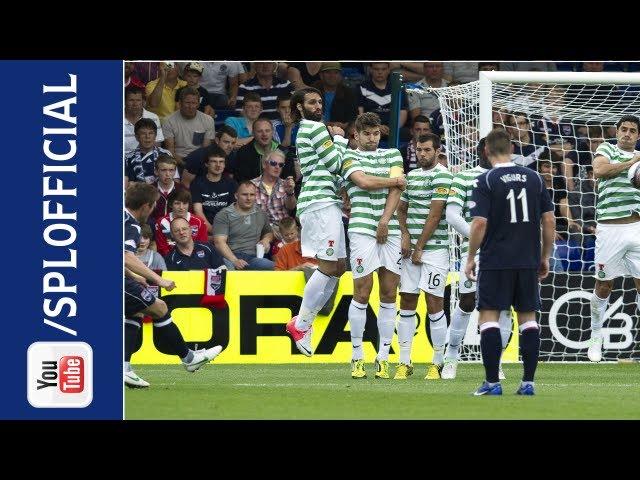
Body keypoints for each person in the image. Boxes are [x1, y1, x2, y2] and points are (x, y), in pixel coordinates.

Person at [465, 129, 555, 396]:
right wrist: (545, 256)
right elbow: (549, 220)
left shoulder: (487, 180)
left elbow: (480, 223)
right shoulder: (535, 178)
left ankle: (492, 383)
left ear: (486, 151)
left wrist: (470, 257)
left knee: (489, 317)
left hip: (495, 260)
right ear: (512, 148)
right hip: (527, 259)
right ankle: (528, 383)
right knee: (528, 319)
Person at [123, 183, 222, 388]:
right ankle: (189, 358)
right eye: (152, 207)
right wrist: (159, 280)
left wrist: (132, 275)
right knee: (159, 307)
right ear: (144, 206)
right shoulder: (131, 224)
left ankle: (123, 368)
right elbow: (125, 256)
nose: (152, 211)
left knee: (138, 311)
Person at [283, 87, 351, 356]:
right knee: (327, 265)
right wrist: (341, 139)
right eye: (311, 102)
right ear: (299, 107)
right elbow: (336, 164)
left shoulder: (310, 130)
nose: (318, 105)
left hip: (327, 201)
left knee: (339, 267)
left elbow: (332, 173)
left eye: (320, 101)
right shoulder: (314, 128)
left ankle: (301, 323)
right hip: (319, 203)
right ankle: (302, 324)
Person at [341, 112, 407, 379]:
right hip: (360, 229)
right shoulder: (349, 157)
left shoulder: (393, 155)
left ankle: (382, 357)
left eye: (376, 133)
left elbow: (397, 191)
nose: (372, 138)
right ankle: (357, 356)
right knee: (362, 291)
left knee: (390, 293)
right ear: (356, 135)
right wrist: (394, 180)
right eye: (366, 134)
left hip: (387, 228)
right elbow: (364, 182)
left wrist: (384, 221)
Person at [443, 138, 512, 380]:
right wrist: (479, 238)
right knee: (467, 301)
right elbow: (451, 214)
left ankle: (497, 362)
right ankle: (451, 357)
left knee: (502, 306)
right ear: (480, 150)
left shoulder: (510, 179)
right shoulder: (463, 177)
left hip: (505, 250)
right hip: (475, 250)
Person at [395, 133, 452, 380]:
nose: (422, 154)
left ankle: (437, 362)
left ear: (437, 151)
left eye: (427, 150)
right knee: (407, 301)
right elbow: (402, 208)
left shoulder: (443, 175)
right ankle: (404, 362)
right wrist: (405, 235)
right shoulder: (412, 177)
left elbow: (435, 215)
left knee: (434, 304)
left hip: (435, 249)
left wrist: (419, 246)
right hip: (412, 249)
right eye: (419, 150)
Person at [588, 115, 640, 362]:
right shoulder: (606, 149)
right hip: (609, 229)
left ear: (638, 136)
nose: (627, 134)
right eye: (624, 129)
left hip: (637, 227)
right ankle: (596, 336)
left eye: (632, 131)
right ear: (617, 131)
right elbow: (599, 170)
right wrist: (632, 162)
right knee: (604, 285)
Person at [212, 181, 275, 271]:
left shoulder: (261, 213)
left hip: (254, 258)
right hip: (230, 257)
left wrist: (266, 239)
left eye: (252, 195)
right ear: (236, 196)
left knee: (274, 267)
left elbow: (268, 232)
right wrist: (235, 260)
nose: (248, 198)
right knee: (227, 269)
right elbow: (219, 243)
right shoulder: (224, 214)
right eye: (244, 194)